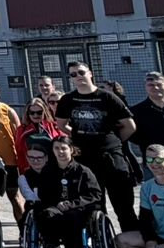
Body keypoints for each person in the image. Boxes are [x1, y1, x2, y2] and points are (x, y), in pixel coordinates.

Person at [55, 63, 137, 231]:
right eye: (73, 75)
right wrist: (78, 136)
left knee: (123, 206)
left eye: (81, 72)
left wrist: (113, 141)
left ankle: (132, 242)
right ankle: (100, 239)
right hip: (85, 157)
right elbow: (62, 124)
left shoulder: (107, 97)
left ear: (90, 73)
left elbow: (130, 126)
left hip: (110, 157)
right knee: (93, 205)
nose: (78, 76)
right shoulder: (68, 100)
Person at [26, 135, 102, 248]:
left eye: (64, 148)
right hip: (55, 207)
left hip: (77, 209)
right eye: (56, 148)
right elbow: (43, 193)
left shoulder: (83, 171)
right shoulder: (48, 170)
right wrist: (56, 203)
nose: (60, 152)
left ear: (71, 149)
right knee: (43, 213)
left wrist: (72, 204)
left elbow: (94, 194)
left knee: (73, 217)